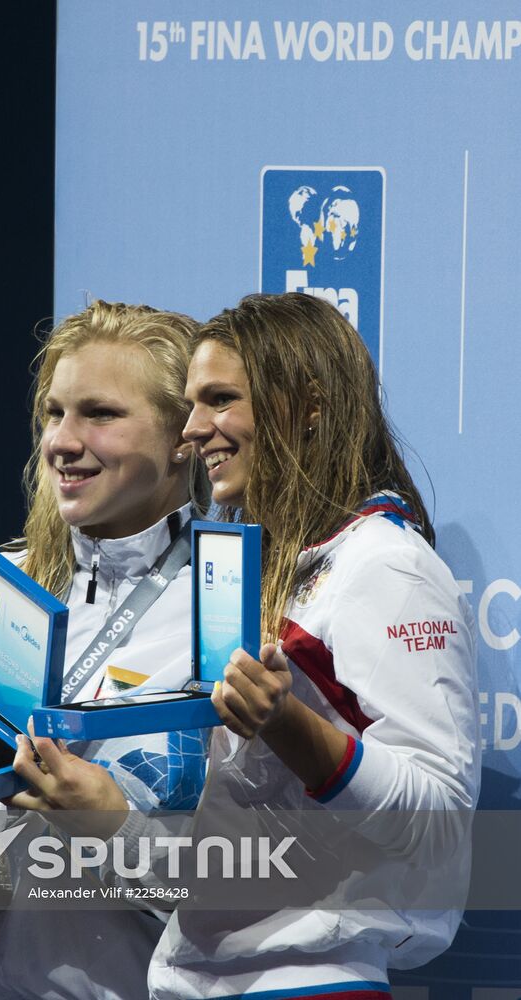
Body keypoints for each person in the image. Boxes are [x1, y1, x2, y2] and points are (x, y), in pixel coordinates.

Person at [0, 299, 210, 1000]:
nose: (62, 440)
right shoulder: (2, 587)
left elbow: (266, 879)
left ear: (183, 436)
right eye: (54, 413)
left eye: (100, 414)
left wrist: (114, 827)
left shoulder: (231, 612)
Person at [141, 292, 480, 999]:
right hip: (211, 977)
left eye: (221, 399)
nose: (193, 430)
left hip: (308, 979)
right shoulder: (264, 568)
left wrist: (288, 724)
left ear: (311, 405)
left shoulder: (385, 565)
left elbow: (440, 827)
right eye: (191, 404)